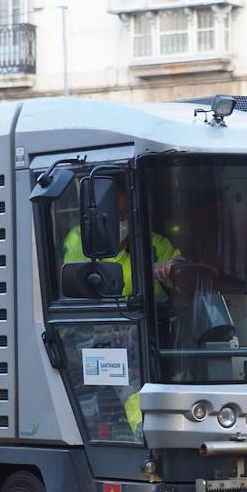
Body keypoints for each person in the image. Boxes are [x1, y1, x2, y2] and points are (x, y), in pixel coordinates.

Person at [62, 180, 182, 433]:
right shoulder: (80, 241)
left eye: (128, 214)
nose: (124, 221)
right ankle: (143, 431)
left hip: (144, 335)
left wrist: (171, 270)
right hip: (92, 333)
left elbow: (181, 267)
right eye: (117, 215)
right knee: (131, 373)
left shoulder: (152, 244)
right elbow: (80, 285)